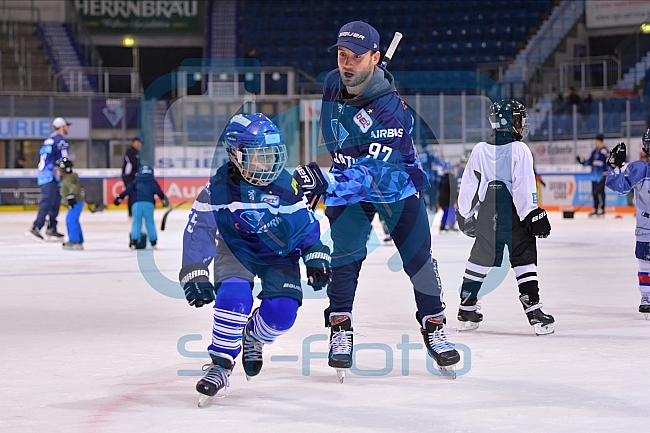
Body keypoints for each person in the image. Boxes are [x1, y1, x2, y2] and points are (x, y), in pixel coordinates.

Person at [293, 21, 460, 379]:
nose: (347, 64)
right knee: (345, 257)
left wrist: (324, 181)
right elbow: (338, 137)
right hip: (347, 181)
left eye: (357, 57)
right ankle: (341, 328)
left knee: (419, 259)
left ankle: (433, 324)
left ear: (375, 57)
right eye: (342, 56)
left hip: (394, 187)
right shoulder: (331, 83)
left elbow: (373, 173)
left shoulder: (390, 110)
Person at [179, 113, 331, 406]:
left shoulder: (286, 184)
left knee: (283, 313)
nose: (269, 163)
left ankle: (253, 335)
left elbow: (304, 224)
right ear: (236, 155)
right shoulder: (218, 187)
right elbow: (199, 228)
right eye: (259, 155)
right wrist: (195, 270)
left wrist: (315, 253)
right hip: (236, 249)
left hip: (278, 253)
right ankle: (220, 364)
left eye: (272, 154)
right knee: (233, 298)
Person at [455, 99, 555, 336]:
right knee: (523, 257)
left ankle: (466, 307)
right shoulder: (519, 149)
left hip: (488, 212)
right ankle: (533, 309)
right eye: (519, 120)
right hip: (514, 213)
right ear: (512, 123)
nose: (521, 125)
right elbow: (523, 186)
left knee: (480, 257)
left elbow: (470, 184)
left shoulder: (479, 149)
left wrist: (465, 213)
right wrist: (531, 212)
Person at [605, 131, 650, 318]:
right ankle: (646, 297)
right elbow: (620, 186)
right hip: (646, 226)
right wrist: (615, 166)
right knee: (645, 261)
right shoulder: (641, 169)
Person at [28, 117, 70, 241]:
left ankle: (52, 227)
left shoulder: (49, 140)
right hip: (52, 175)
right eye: (66, 126)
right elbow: (64, 159)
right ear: (62, 126)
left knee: (55, 200)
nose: (68, 128)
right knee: (48, 201)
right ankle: (36, 226)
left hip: (44, 174)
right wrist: (66, 172)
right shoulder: (61, 141)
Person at [113, 165, 168, 249]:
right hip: (149, 204)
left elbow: (128, 189)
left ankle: (135, 240)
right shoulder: (151, 181)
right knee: (150, 222)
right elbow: (157, 190)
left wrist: (120, 197)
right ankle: (153, 241)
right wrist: (163, 199)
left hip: (136, 204)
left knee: (136, 222)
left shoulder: (136, 180)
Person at [576, 133, 609, 216]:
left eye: (596, 141)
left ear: (600, 141)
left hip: (601, 177)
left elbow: (608, 164)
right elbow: (589, 162)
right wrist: (582, 161)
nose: (595, 143)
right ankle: (595, 208)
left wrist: (606, 174)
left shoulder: (605, 152)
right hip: (593, 176)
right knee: (594, 193)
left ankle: (602, 209)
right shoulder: (594, 152)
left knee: (601, 193)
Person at [58, 158, 84, 250]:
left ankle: (74, 241)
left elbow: (74, 186)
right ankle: (79, 240)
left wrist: (71, 195)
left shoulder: (69, 178)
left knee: (71, 220)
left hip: (75, 202)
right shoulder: (67, 178)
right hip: (76, 203)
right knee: (73, 220)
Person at [121, 137, 141, 217]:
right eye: (137, 142)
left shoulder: (137, 152)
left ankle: (133, 210)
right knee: (131, 193)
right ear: (134, 142)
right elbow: (133, 163)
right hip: (128, 176)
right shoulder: (130, 151)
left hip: (133, 175)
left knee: (134, 193)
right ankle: (131, 211)